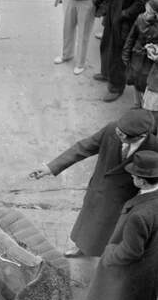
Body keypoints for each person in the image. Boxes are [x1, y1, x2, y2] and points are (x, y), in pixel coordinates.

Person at [29, 109, 158, 257]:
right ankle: (81, 247)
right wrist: (51, 167)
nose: (118, 135)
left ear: (141, 136)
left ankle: (106, 257)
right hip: (99, 189)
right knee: (88, 223)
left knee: (112, 231)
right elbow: (83, 147)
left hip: (124, 199)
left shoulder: (154, 147)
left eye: (123, 135)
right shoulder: (112, 129)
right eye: (118, 131)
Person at [86, 150, 158, 300]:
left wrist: (109, 255)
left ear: (142, 181)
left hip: (130, 269)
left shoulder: (139, 215)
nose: (132, 177)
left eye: (134, 175)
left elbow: (131, 251)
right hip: (150, 264)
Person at [93, 0, 151, 102]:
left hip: (125, 21)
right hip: (113, 12)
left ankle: (116, 87)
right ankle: (106, 73)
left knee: (118, 53)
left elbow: (140, 5)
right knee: (106, 45)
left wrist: (122, 15)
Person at [123, 0, 158, 104]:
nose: (146, 14)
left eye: (150, 13)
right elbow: (131, 37)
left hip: (149, 62)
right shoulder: (140, 19)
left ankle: (143, 107)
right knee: (135, 81)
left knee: (145, 85)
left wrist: (154, 48)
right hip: (136, 57)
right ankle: (136, 104)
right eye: (145, 11)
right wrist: (125, 54)